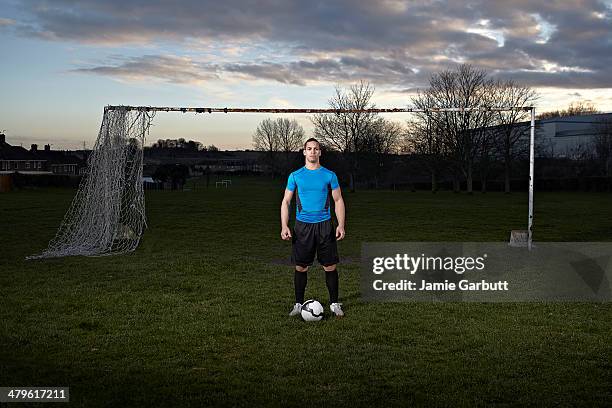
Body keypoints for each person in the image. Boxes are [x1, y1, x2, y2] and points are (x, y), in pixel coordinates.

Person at [280, 138, 346, 318]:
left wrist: (341, 224)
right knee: (301, 267)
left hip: (325, 225)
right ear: (304, 152)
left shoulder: (329, 175)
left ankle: (334, 304)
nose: (312, 152)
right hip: (302, 227)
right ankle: (298, 304)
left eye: (316, 149)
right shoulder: (295, 175)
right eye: (309, 149)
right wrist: (284, 225)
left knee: (330, 266)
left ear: (320, 152)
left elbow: (338, 200)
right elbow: (286, 201)